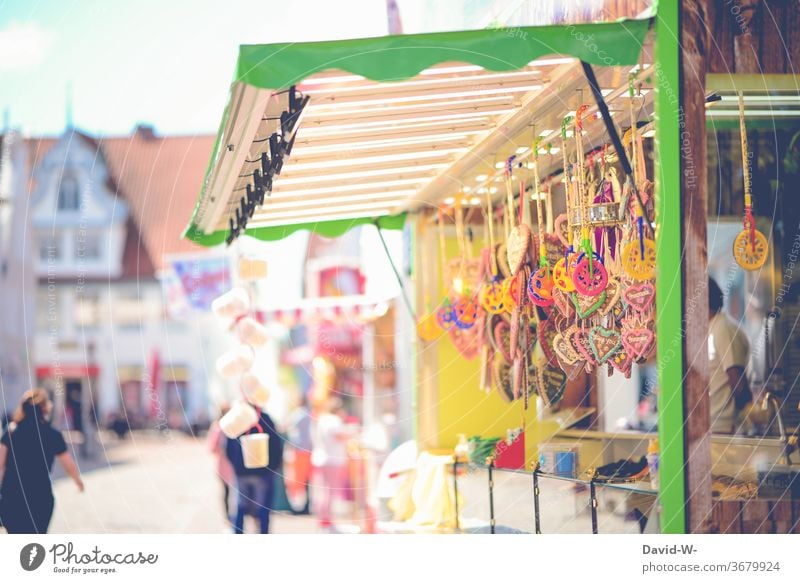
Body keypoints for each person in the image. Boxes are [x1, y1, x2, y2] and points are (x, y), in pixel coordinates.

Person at [0, 389, 85, 533]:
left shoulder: (10, 432)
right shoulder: (53, 434)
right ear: (45, 408)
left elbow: (0, 463)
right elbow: (68, 463)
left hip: (12, 496)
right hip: (40, 495)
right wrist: (78, 482)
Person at [225, 407, 283, 534]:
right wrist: (273, 466)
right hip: (263, 472)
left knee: (240, 507)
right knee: (263, 508)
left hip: (242, 472)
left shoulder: (237, 419)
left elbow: (228, 444)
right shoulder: (265, 418)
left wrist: (236, 465)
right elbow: (277, 444)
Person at [708, 278, 752, 433]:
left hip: (722, 428)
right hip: (710, 427)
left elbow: (738, 383)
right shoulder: (711, 329)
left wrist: (751, 415)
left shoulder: (723, 329)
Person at [311, 397, 351, 531]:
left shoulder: (322, 419)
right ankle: (326, 518)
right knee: (329, 490)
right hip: (333, 459)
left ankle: (322, 516)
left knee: (322, 489)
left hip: (321, 457)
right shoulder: (334, 420)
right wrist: (351, 434)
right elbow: (338, 436)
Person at [207, 405, 235, 526]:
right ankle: (229, 515)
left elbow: (212, 447)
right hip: (226, 465)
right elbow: (212, 447)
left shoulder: (225, 426)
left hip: (228, 465)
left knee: (229, 492)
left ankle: (230, 515)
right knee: (229, 491)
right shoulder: (219, 427)